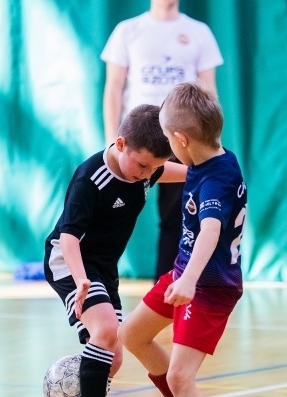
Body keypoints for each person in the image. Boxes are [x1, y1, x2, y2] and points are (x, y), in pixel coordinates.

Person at [118, 82, 246, 397]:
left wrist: (188, 281)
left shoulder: (219, 180)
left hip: (208, 287)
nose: (170, 151)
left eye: (170, 142)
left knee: (180, 376)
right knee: (132, 336)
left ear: (183, 139)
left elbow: (210, 230)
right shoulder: (207, 158)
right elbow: (177, 170)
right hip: (185, 273)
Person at [40, 104, 187, 397]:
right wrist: (81, 280)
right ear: (120, 143)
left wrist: (204, 174)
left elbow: (169, 171)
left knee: (112, 357)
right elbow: (69, 238)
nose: (147, 175)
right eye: (142, 166)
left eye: (153, 168)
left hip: (103, 268)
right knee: (106, 333)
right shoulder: (91, 179)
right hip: (70, 262)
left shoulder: (145, 167)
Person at [101, 0, 223, 280]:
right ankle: (95, 278)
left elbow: (209, 94)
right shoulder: (127, 31)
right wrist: (111, 141)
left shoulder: (199, 32)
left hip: (183, 141)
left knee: (178, 220)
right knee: (113, 214)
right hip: (137, 140)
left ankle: (167, 289)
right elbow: (114, 88)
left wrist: (208, 145)